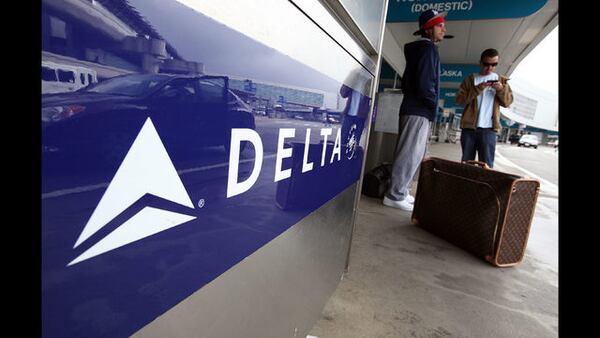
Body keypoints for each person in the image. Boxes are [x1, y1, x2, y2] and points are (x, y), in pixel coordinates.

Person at [383, 9, 448, 211]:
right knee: (410, 153)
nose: (443, 29)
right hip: (419, 109)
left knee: (413, 152)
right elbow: (425, 82)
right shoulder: (427, 50)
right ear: (428, 29)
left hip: (415, 108)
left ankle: (401, 190)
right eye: (439, 25)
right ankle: (395, 194)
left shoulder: (420, 50)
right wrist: (431, 104)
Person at [456, 48, 513, 168]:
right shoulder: (470, 80)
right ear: (480, 62)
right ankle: (466, 186)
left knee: (487, 166)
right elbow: (460, 100)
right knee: (466, 165)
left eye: (494, 64)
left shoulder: (501, 80)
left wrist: (501, 90)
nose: (490, 68)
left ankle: (483, 187)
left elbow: (507, 103)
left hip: (489, 129)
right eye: (487, 64)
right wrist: (478, 88)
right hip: (469, 129)